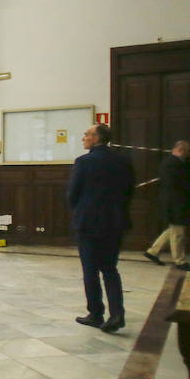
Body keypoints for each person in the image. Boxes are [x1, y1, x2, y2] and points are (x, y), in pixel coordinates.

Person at [67, 124, 136, 332]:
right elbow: (130, 190)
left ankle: (96, 313)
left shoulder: (84, 162)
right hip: (115, 221)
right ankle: (117, 314)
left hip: (89, 222)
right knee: (109, 268)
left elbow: (72, 193)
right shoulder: (123, 160)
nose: (83, 138)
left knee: (90, 269)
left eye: (87, 134)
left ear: (96, 139)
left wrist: (78, 211)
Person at [144, 140, 190, 271]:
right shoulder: (172, 164)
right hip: (174, 202)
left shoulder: (178, 162)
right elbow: (180, 182)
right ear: (180, 150)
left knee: (173, 230)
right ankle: (180, 260)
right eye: (187, 152)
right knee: (178, 232)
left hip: (176, 201)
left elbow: (189, 169)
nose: (188, 155)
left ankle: (152, 252)